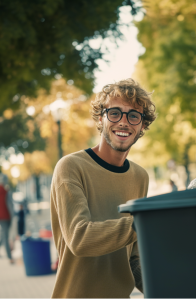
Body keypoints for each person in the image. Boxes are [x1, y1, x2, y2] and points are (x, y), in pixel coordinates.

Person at [50, 78, 157, 298]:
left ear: (143, 125)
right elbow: (80, 239)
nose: (124, 122)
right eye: (115, 113)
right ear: (101, 118)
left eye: (134, 116)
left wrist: (169, 290)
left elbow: (133, 258)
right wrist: (147, 222)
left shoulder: (140, 177)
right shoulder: (70, 167)